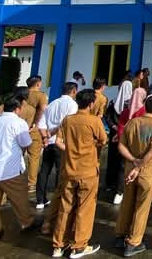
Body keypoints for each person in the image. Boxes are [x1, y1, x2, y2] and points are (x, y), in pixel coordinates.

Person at [52, 89, 107, 258]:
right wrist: (90, 145)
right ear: (91, 104)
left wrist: (72, 148)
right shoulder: (94, 121)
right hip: (88, 171)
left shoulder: (67, 120)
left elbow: (59, 140)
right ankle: (79, 246)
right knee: (85, 209)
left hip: (69, 170)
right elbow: (103, 140)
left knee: (65, 207)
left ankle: (58, 245)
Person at [0, 96, 39, 241]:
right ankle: (26, 222)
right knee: (19, 199)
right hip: (10, 169)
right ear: (17, 109)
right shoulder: (18, 123)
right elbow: (25, 143)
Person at [115, 95, 152, 257]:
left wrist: (133, 161)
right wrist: (139, 166)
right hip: (146, 172)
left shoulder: (132, 123)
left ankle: (120, 234)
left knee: (127, 203)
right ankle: (133, 242)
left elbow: (121, 146)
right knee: (141, 208)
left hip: (129, 169)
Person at [36, 82, 78, 210]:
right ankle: (58, 199)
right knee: (61, 171)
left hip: (49, 142)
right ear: (74, 91)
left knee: (44, 171)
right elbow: (66, 124)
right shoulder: (72, 105)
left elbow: (41, 124)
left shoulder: (52, 103)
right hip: (61, 142)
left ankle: (40, 200)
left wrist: (45, 137)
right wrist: (51, 134)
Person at [106, 77, 133, 199]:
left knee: (112, 159)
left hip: (114, 134)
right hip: (126, 136)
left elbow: (108, 117)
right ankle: (120, 187)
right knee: (123, 162)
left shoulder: (113, 102)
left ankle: (110, 183)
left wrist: (114, 127)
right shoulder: (132, 104)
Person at [25, 75, 48, 190]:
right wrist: (36, 123)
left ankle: (14, 178)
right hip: (34, 129)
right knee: (33, 157)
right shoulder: (41, 95)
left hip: (20, 128)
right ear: (38, 84)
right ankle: (31, 183)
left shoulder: (23, 94)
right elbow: (43, 110)